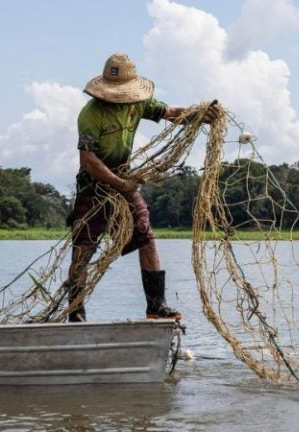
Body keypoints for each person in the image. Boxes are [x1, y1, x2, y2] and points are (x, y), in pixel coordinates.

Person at [65, 52, 216, 323]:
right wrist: (121, 184)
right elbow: (88, 160)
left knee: (146, 238)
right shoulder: (90, 114)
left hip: (125, 182)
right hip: (93, 187)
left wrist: (201, 114)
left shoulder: (138, 104)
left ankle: (156, 306)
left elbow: (171, 113)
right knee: (84, 247)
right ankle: (76, 312)